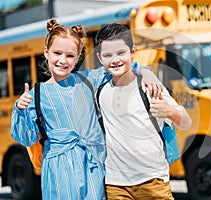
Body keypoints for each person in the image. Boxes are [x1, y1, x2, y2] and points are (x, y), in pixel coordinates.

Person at [10, 19, 162, 200]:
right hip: (58, 170)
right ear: (46, 53)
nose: (62, 61)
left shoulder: (89, 79)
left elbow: (122, 68)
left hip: (93, 165)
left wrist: (147, 72)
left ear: (78, 57)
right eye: (57, 53)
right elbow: (27, 137)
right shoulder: (36, 94)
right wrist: (20, 109)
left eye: (69, 55)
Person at [96, 23, 192, 200]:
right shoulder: (100, 92)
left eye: (120, 53)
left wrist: (169, 111)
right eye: (107, 55)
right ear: (100, 58)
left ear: (132, 52)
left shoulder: (150, 87)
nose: (114, 60)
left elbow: (186, 122)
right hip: (116, 184)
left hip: (153, 180)